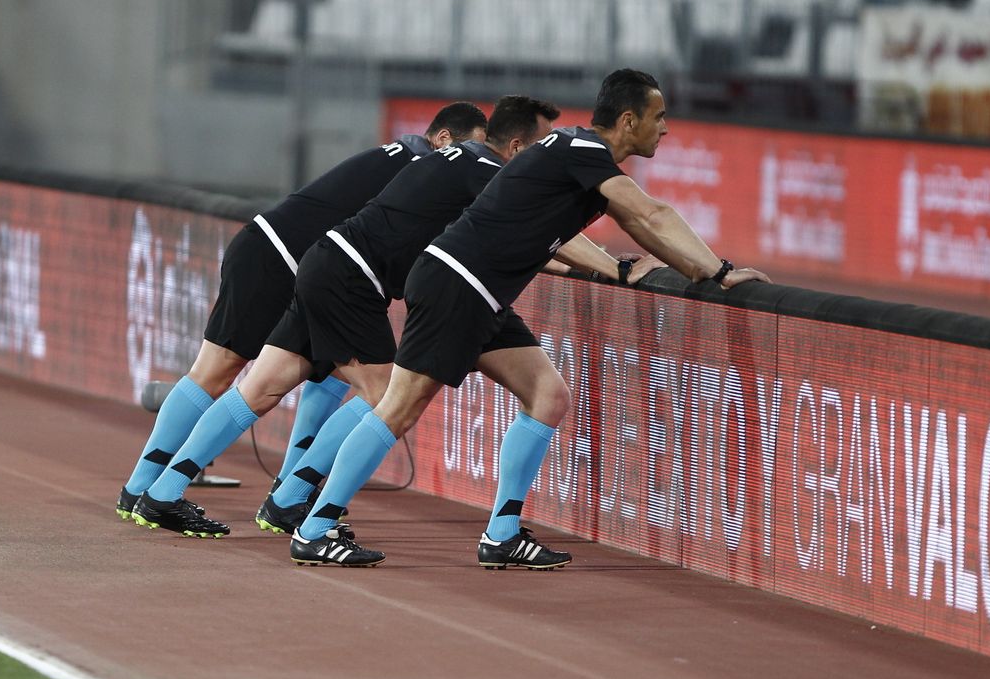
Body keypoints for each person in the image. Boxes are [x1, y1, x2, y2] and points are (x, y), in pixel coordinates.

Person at [287, 68, 771, 569]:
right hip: (459, 284)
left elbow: (637, 222)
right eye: (659, 117)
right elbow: (652, 215)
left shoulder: (580, 157)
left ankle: (502, 534)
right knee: (399, 406)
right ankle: (316, 527)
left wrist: (660, 268)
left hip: (476, 289)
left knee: (548, 394)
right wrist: (719, 271)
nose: (666, 128)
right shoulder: (583, 152)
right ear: (629, 120)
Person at [132, 96, 665, 538]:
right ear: (518, 147)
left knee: (265, 386)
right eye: (540, 147)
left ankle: (162, 491)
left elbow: (511, 239)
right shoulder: (484, 170)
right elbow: (538, 233)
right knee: (380, 393)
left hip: (317, 260)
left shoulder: (438, 161)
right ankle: (292, 502)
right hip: (315, 265)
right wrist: (614, 268)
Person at [117, 101, 490, 533]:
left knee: (327, 374)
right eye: (473, 149)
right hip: (278, 259)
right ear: (443, 140)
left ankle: (287, 493)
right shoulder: (422, 169)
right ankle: (147, 487)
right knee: (217, 372)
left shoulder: (409, 164)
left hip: (309, 268)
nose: (479, 164)